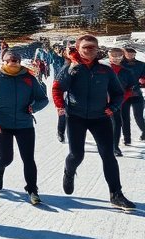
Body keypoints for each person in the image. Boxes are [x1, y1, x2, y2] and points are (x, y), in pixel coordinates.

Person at [52, 34, 133, 211]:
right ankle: (69, 171)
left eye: (93, 47)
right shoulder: (70, 68)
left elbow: (118, 93)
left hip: (100, 118)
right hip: (76, 117)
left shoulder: (105, 70)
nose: (89, 50)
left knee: (108, 155)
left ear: (97, 50)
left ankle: (116, 195)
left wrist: (113, 107)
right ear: (78, 49)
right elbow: (58, 88)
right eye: (86, 47)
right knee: (76, 155)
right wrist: (60, 107)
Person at [0, 49, 49, 204]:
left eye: (16, 61)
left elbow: (43, 99)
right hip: (3, 126)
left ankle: (32, 190)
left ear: (19, 63)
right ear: (4, 62)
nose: (13, 64)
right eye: (9, 61)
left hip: (25, 125)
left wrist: (34, 107)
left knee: (28, 159)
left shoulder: (29, 79)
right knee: (6, 158)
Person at [121, 46, 145, 145]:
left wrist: (143, 79)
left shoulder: (141, 64)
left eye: (133, 53)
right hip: (122, 95)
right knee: (124, 118)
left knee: (138, 116)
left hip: (136, 94)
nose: (131, 55)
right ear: (124, 54)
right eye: (128, 53)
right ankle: (127, 139)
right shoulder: (119, 64)